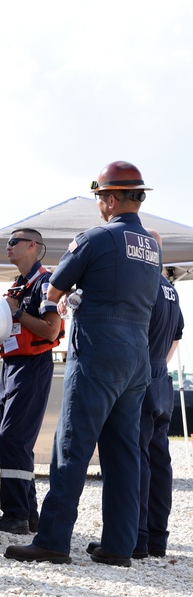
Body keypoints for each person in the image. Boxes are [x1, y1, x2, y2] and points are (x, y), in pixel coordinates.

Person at [6, 161, 162, 567]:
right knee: (125, 452)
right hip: (137, 356)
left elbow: (54, 289)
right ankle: (119, 546)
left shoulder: (96, 239)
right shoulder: (152, 247)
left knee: (72, 445)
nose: (99, 205)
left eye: (100, 198)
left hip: (98, 350)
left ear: (110, 198)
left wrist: (62, 299)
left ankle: (53, 541)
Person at [87, 229, 183, 559]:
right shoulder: (171, 289)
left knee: (134, 457)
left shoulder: (141, 285)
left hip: (140, 373)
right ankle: (157, 537)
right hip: (161, 376)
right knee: (160, 459)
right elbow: (177, 334)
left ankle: (136, 537)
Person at [0, 228, 63, 535]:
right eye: (7, 242)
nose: (8, 247)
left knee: (14, 441)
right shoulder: (19, 284)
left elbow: (51, 330)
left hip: (31, 366)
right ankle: (27, 513)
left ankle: (16, 513)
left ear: (33, 246)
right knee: (10, 442)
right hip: (13, 364)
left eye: (14, 242)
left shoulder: (46, 284)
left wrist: (16, 315)